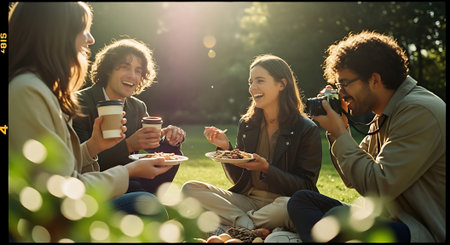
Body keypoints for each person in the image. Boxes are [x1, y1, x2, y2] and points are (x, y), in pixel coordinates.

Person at [8, 1, 173, 230]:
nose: (91, 39)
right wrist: (128, 170)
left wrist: (93, 146)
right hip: (42, 225)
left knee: (144, 198)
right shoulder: (28, 91)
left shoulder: (41, 89)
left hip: (62, 211)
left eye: (138, 71)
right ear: (56, 33)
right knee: (143, 203)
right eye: (83, 29)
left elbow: (61, 170)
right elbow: (60, 193)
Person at [287, 31, 445, 242]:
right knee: (302, 201)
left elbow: (376, 187)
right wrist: (340, 130)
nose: (341, 93)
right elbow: (353, 178)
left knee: (336, 220)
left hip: (423, 229)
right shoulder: (387, 112)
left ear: (374, 80)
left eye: (344, 83)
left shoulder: (419, 111)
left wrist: (340, 133)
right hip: (393, 219)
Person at [182, 54, 322, 233]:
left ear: (282, 84)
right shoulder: (248, 124)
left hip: (281, 203)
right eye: (250, 82)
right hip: (247, 200)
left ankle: (232, 227)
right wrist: (226, 149)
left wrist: (267, 169)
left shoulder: (306, 129)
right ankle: (247, 225)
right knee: (190, 189)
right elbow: (239, 179)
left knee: (289, 205)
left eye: (259, 81)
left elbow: (306, 188)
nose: (252, 88)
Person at [72, 38, 186, 194]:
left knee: (170, 158)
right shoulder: (79, 102)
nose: (133, 76)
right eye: (125, 67)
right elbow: (80, 159)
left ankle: (146, 197)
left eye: (138, 71)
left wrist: (171, 138)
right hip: (93, 188)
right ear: (108, 69)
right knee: (140, 195)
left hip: (131, 182)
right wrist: (129, 145)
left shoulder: (138, 107)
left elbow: (153, 147)